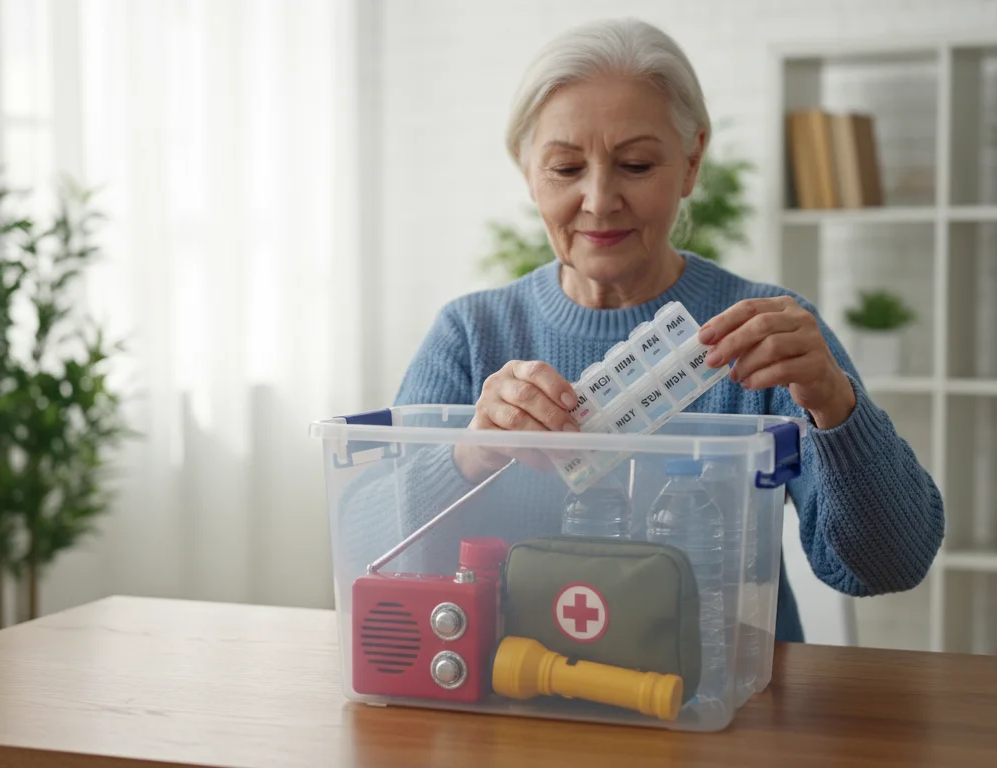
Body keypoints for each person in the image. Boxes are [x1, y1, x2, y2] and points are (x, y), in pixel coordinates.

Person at [383, 18, 944, 644]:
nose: (599, 199)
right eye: (566, 168)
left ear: (691, 163)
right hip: (519, 703)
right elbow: (380, 553)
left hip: (725, 713)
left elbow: (891, 564)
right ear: (527, 172)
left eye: (636, 164)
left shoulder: (767, 334)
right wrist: (470, 452)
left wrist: (838, 408)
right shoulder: (470, 334)